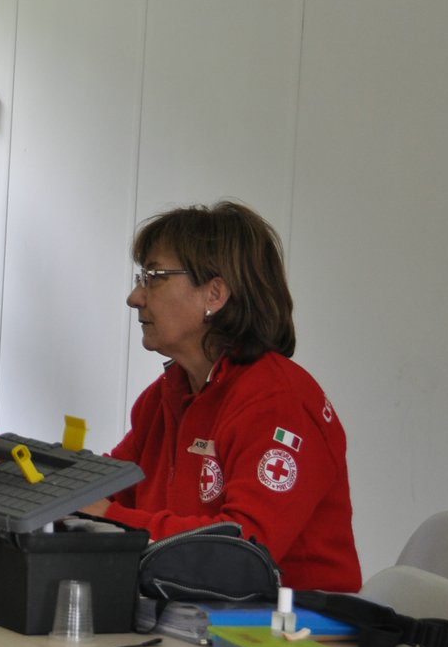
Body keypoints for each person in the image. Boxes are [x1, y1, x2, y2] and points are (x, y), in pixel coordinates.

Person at [82, 200, 361, 592]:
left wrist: (112, 518)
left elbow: (244, 548)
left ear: (214, 294)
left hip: (292, 638)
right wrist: (39, 482)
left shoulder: (278, 402)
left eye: (153, 276)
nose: (135, 297)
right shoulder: (166, 395)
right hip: (188, 615)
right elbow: (106, 489)